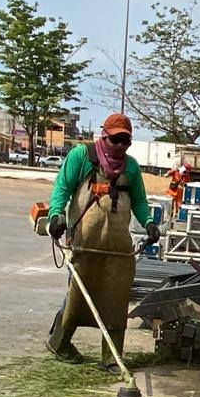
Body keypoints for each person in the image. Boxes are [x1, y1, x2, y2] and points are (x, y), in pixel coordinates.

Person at [45, 113, 162, 369]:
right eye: (116, 140)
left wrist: (150, 223)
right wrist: (55, 216)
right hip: (85, 240)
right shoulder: (82, 157)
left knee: (116, 298)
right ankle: (60, 342)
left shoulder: (130, 166)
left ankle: (112, 358)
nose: (120, 146)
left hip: (118, 245)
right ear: (104, 136)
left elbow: (140, 202)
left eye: (125, 141)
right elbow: (62, 189)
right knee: (78, 293)